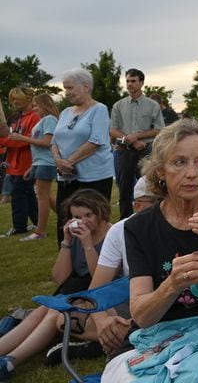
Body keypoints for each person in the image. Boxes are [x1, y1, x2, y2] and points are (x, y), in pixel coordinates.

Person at [100, 118, 198, 382]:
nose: (192, 173)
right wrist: (172, 284)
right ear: (160, 170)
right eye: (179, 162)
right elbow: (141, 315)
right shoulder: (139, 227)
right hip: (155, 337)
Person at [0, 189, 112, 380]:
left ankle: (10, 361)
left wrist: (87, 245)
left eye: (88, 215)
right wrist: (67, 242)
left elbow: (99, 279)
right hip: (77, 290)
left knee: (54, 311)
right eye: (77, 216)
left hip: (103, 295)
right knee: (41, 311)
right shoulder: (77, 235)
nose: (83, 221)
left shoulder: (112, 233)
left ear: (101, 212)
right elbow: (59, 277)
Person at [73, 177, 159, 361]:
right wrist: (103, 321)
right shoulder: (121, 230)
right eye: (155, 201)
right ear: (137, 206)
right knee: (63, 320)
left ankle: (115, 341)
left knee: (64, 318)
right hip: (132, 305)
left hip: (162, 313)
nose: (164, 206)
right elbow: (95, 291)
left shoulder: (181, 227)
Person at [52, 68, 115, 247]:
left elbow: (95, 141)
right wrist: (58, 161)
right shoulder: (65, 113)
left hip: (94, 176)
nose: (67, 93)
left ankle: (96, 261)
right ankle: (67, 260)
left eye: (70, 88)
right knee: (65, 219)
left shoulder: (99, 110)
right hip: (66, 177)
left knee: (94, 219)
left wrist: (69, 162)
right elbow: (54, 140)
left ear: (86, 87)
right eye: (65, 88)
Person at [111, 69, 165, 219]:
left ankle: (152, 217)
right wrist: (132, 140)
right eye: (127, 81)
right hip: (125, 149)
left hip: (146, 149)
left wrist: (137, 136)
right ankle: (125, 221)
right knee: (124, 189)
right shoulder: (118, 105)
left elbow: (159, 129)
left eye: (133, 81)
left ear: (141, 83)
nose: (130, 84)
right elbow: (113, 130)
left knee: (149, 186)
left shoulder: (152, 105)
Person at [8, 93, 59, 240]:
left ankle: (40, 231)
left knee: (42, 197)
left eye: (36, 105)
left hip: (46, 163)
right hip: (39, 163)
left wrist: (21, 138)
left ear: (45, 105)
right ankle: (65, 217)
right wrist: (32, 167)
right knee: (45, 196)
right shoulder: (43, 120)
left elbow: (47, 143)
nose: (34, 108)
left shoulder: (49, 119)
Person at [0, 87, 40, 237]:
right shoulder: (16, 117)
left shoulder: (35, 117)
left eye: (18, 98)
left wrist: (4, 140)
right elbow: (12, 137)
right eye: (13, 99)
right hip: (14, 162)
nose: (14, 102)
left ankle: (19, 226)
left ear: (28, 98)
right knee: (27, 193)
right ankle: (36, 220)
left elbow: (27, 140)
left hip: (27, 161)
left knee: (18, 194)